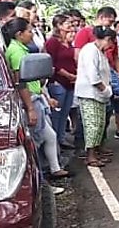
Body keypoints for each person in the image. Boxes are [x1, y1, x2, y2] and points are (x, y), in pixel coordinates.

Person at [4, 18, 71, 179]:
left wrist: (46, 98)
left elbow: (32, 81)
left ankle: (54, 170)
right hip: (30, 101)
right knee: (36, 141)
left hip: (35, 97)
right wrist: (31, 108)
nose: (31, 34)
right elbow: (21, 83)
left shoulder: (22, 50)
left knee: (48, 136)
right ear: (19, 34)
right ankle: (39, 179)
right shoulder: (17, 52)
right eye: (29, 31)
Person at [76, 26, 117, 167]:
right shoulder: (90, 51)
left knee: (100, 124)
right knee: (92, 125)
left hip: (100, 93)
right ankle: (90, 155)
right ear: (107, 39)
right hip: (90, 93)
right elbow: (93, 75)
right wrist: (105, 89)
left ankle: (96, 151)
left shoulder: (99, 52)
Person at [44, 14, 77, 149]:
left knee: (65, 112)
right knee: (57, 113)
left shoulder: (68, 42)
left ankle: (62, 138)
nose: (70, 26)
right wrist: (67, 75)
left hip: (70, 82)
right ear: (58, 26)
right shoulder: (52, 42)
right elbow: (52, 63)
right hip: (58, 82)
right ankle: (55, 142)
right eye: (67, 23)